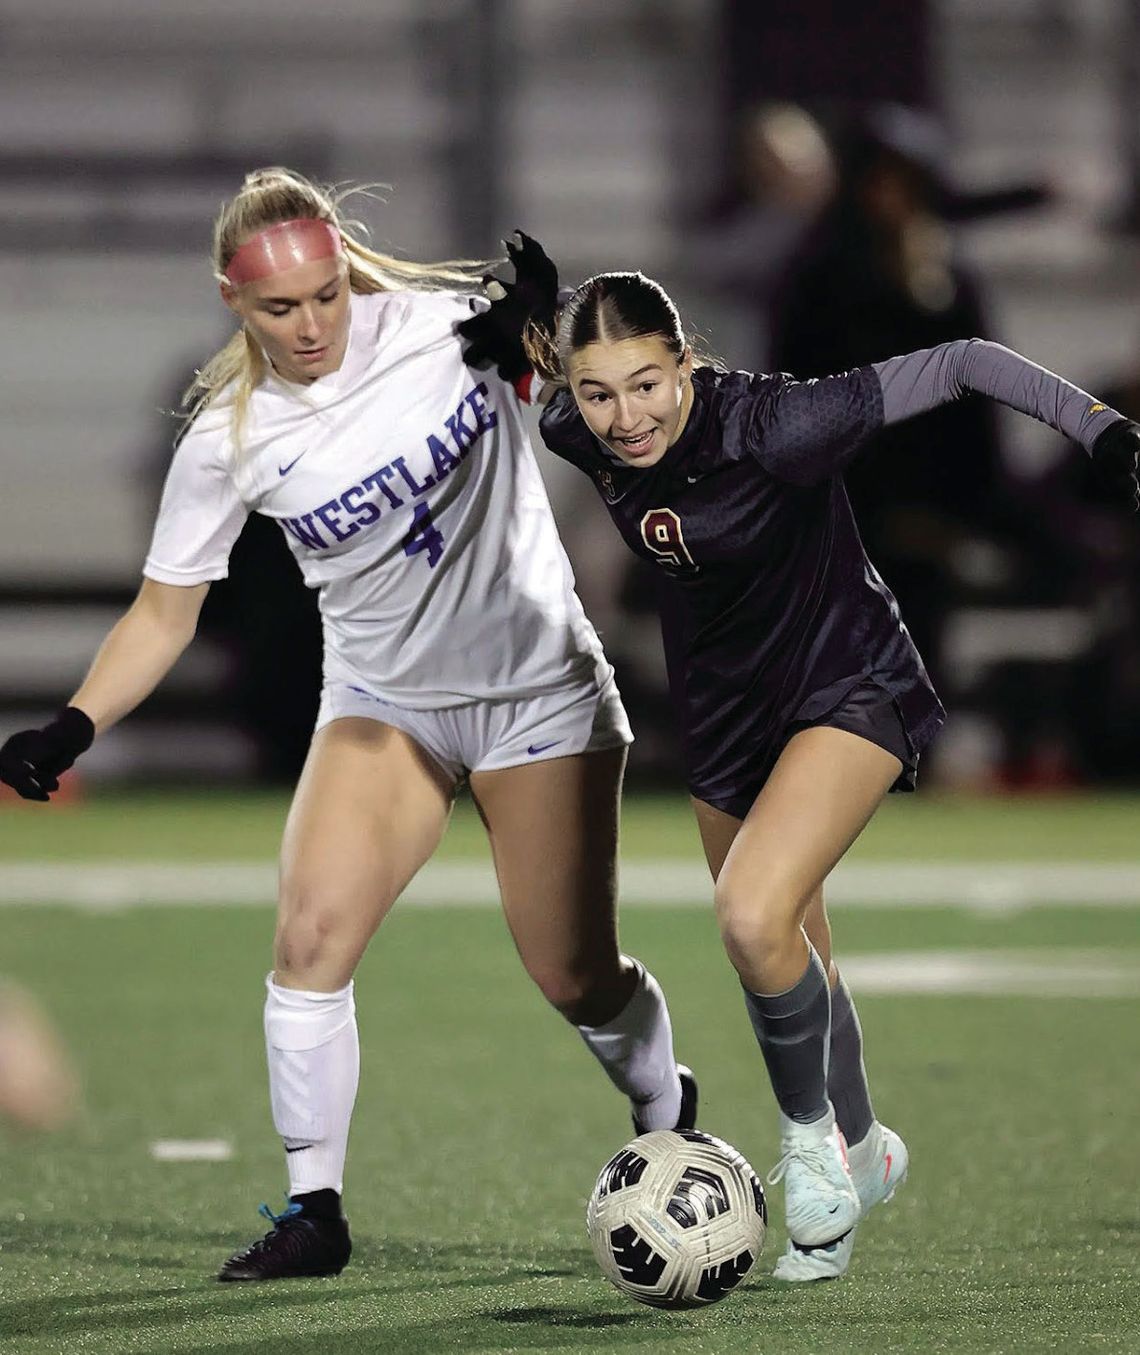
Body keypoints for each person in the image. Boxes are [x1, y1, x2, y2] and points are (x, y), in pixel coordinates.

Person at [0, 170, 697, 1282]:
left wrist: (543, 342)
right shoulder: (230, 437)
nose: (310, 324)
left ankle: (666, 1099)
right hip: (384, 703)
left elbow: (608, 404)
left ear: (349, 271)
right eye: (280, 309)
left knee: (573, 972)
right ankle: (313, 1207)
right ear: (236, 305)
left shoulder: (441, 328)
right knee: (310, 936)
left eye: (326, 295)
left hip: (538, 688)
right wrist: (74, 722)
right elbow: (163, 611)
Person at [459, 246, 1140, 1281]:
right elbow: (532, 377)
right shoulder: (572, 423)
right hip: (726, 716)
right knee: (792, 947)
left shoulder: (780, 425)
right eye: (599, 393)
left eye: (646, 383)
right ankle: (867, 1151)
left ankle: (808, 1144)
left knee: (746, 916)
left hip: (846, 683)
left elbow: (961, 360)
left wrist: (1099, 430)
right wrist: (526, 340)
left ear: (685, 361)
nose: (625, 415)